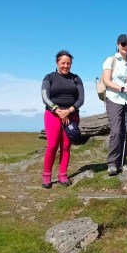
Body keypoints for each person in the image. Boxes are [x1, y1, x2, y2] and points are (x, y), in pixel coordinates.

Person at [40, 50, 84, 188]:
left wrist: (68, 111)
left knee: (66, 146)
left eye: (68, 63)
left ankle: (63, 175)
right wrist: (57, 110)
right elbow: (44, 96)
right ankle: (46, 176)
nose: (66, 66)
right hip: (53, 114)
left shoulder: (76, 78)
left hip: (71, 114)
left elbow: (81, 99)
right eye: (63, 63)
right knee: (52, 145)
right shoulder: (49, 77)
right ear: (57, 63)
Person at [102, 34, 127, 176]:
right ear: (118, 44)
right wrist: (122, 88)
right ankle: (112, 163)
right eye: (124, 44)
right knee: (116, 131)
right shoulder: (110, 60)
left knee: (126, 131)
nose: (126, 46)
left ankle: (123, 161)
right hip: (114, 99)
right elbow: (106, 81)